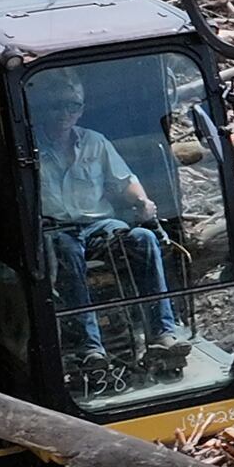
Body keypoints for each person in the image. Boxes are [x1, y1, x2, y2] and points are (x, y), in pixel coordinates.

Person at [34, 97, 191, 388]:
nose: (66, 113)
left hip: (97, 224)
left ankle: (162, 334)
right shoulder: (30, 146)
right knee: (64, 249)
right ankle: (90, 347)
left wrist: (142, 201)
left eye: (74, 106)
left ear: (81, 109)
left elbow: (124, 179)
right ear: (44, 108)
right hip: (54, 229)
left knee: (142, 238)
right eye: (57, 105)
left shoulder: (95, 142)